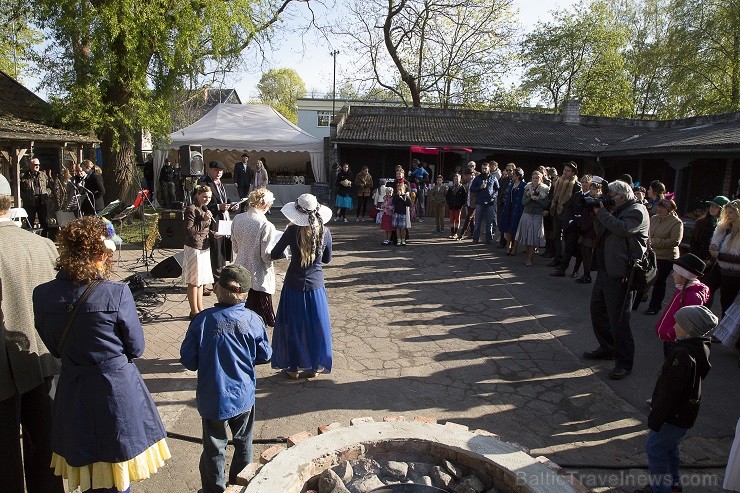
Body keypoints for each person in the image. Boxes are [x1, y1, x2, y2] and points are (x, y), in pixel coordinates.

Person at [33, 216, 170, 493]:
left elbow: (54, 346)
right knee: (117, 469)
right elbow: (137, 348)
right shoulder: (116, 293)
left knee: (87, 469)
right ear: (99, 254)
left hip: (73, 388)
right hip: (115, 389)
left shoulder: (42, 294)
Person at [180, 264, 272, 493]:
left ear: (218, 290)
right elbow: (265, 355)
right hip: (243, 395)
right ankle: (241, 485)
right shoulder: (253, 319)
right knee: (243, 443)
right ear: (246, 293)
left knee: (213, 446)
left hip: (213, 396)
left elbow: (188, 361)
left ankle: (214, 489)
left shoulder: (202, 321)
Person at [0, 174, 63, 493]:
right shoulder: (44, 245)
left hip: (5, 369)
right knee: (47, 454)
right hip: (43, 357)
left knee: (5, 463)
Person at [635, 305, 717, 493]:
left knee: (655, 450)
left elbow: (670, 392)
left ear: (689, 328)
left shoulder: (682, 355)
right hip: (684, 415)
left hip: (672, 416)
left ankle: (660, 489)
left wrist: (656, 417)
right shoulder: (700, 347)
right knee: (670, 448)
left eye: (678, 322)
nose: (674, 325)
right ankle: (673, 484)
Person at [584, 180, 649, 380]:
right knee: (598, 311)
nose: (606, 200)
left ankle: (624, 362)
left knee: (619, 320)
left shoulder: (637, 211)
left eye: (609, 196)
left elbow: (622, 229)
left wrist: (602, 212)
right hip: (606, 271)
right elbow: (602, 231)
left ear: (621, 196)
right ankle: (608, 348)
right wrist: (596, 214)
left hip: (622, 274)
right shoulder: (614, 209)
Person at [270, 194, 333, 378]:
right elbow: (327, 259)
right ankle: (315, 366)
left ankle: (293, 367)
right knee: (316, 325)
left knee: (293, 325)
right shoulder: (325, 232)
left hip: (294, 284)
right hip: (316, 285)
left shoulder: (291, 231)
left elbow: (275, 253)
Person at [231, 188, 278, 327]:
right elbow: (266, 256)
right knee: (260, 316)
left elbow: (235, 248)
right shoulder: (265, 225)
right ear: (265, 205)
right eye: (270, 205)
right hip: (259, 273)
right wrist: (281, 252)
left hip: (240, 269)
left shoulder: (238, 218)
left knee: (242, 312)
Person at [654, 253, 709, 358]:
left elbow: (688, 324)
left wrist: (670, 333)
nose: (672, 274)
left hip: (676, 340)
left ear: (684, 275)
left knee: (672, 368)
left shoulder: (692, 296)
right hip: (670, 339)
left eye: (675, 271)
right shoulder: (681, 288)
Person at [643, 198, 684, 315]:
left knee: (659, 281)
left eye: (664, 208)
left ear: (670, 210)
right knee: (645, 277)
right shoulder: (654, 218)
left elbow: (674, 241)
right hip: (651, 254)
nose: (660, 209)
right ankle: (638, 301)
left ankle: (655, 306)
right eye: (659, 207)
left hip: (666, 257)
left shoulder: (676, 222)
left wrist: (653, 242)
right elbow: (647, 232)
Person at [691, 195, 730, 308]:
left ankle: (702, 313)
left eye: (716, 207)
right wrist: (695, 258)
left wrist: (710, 260)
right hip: (698, 260)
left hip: (712, 264)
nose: (712, 208)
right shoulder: (700, 222)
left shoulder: (725, 227)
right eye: (711, 206)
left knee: (707, 289)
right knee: (692, 288)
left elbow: (721, 247)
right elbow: (694, 243)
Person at [200, 160, 235, 279]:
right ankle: (216, 279)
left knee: (222, 248)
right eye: (216, 170)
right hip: (212, 221)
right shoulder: (205, 183)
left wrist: (231, 206)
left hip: (223, 220)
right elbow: (202, 205)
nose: (219, 173)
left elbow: (222, 200)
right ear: (209, 170)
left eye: (220, 171)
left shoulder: (220, 183)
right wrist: (218, 207)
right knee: (215, 250)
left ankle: (220, 275)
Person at [184, 185, 215, 318]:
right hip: (194, 247)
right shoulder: (191, 209)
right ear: (197, 195)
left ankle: (200, 308)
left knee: (201, 280)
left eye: (209, 197)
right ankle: (193, 310)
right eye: (204, 197)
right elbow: (188, 231)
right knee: (193, 281)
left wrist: (214, 233)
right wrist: (204, 220)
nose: (206, 199)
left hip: (204, 246)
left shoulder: (203, 209)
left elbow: (204, 230)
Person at [548, 161, 582, 272]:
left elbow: (576, 202)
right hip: (557, 212)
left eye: (568, 171)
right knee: (556, 236)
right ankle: (557, 258)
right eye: (564, 170)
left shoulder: (575, 185)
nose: (565, 172)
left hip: (567, 215)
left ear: (573, 173)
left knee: (566, 240)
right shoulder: (559, 181)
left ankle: (563, 262)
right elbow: (553, 194)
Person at [709, 199, 740, 317]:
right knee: (704, 289)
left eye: (731, 212)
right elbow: (717, 246)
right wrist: (713, 248)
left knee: (726, 303)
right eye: (726, 212)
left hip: (733, 273)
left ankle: (723, 332)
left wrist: (720, 255)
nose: (728, 215)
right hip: (718, 267)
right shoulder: (723, 226)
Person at [516, 170, 549, 267]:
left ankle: (530, 258)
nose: (535, 180)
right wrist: (530, 197)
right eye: (534, 178)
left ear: (541, 179)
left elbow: (545, 204)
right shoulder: (527, 187)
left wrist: (537, 199)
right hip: (527, 213)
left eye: (537, 178)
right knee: (526, 236)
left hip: (537, 215)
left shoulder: (545, 189)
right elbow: (523, 202)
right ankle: (527, 257)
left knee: (534, 237)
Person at [470, 161, 499, 244]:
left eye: (485, 168)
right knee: (477, 221)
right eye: (482, 168)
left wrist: (493, 196)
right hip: (479, 202)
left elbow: (497, 189)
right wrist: (480, 187)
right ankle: (475, 238)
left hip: (490, 202)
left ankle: (489, 239)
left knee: (489, 222)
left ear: (489, 168)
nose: (484, 170)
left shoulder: (493, 178)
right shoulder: (477, 178)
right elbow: (472, 189)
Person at [20, 157, 51, 235]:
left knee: (44, 222)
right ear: (30, 165)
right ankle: (30, 241)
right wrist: (26, 198)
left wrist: (46, 193)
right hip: (30, 203)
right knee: (29, 222)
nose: (37, 166)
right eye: (35, 165)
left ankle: (45, 240)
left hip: (42, 201)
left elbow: (49, 187)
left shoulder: (43, 175)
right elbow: (18, 190)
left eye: (38, 165)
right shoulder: (23, 176)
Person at [499, 167, 526, 255]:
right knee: (507, 228)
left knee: (515, 229)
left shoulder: (523, 185)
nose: (512, 176)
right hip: (509, 208)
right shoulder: (511, 184)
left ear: (518, 176)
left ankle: (514, 247)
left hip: (517, 209)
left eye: (514, 174)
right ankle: (508, 245)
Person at [446, 173, 467, 238]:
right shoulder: (451, 188)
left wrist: (461, 204)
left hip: (458, 206)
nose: (456, 180)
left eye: (457, 179)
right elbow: (447, 196)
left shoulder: (462, 188)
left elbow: (464, 197)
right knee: (452, 219)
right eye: (455, 179)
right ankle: (452, 232)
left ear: (460, 179)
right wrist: (449, 203)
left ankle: (456, 233)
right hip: (451, 206)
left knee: (457, 219)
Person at [392, 181, 412, 246]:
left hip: (403, 213)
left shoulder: (405, 196)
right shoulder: (395, 196)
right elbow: (393, 203)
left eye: (400, 189)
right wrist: (398, 197)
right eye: (398, 189)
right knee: (397, 227)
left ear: (404, 189)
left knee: (403, 227)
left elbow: (409, 203)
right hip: (396, 213)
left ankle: (403, 239)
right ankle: (398, 239)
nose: (399, 191)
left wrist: (402, 199)